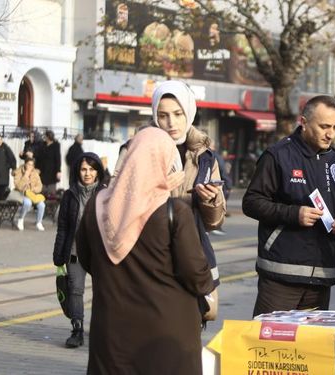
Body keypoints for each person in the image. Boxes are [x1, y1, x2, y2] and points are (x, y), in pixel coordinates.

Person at [76, 127, 214, 373]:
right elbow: (196, 276)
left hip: (111, 336)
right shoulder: (175, 213)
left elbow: (88, 261)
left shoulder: (96, 208)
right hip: (166, 337)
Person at [242, 95, 335, 317]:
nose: (331, 133)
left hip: (322, 273)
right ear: (303, 122)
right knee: (271, 346)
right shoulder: (278, 155)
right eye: (324, 126)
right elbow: (251, 202)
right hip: (281, 273)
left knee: (310, 348)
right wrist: (294, 214)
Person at [115, 80, 226, 292]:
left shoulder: (204, 157)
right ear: (155, 116)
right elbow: (115, 203)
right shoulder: (134, 149)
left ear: (189, 113)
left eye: (178, 114)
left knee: (192, 320)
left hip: (191, 253)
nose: (171, 123)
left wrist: (210, 200)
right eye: (163, 115)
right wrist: (157, 188)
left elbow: (214, 223)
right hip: (147, 252)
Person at [52, 152, 105, 348]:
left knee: (104, 291)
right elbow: (63, 227)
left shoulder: (106, 194)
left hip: (100, 252)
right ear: (78, 171)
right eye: (84, 169)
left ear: (98, 171)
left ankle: (103, 330)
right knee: (75, 290)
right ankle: (77, 330)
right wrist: (58, 255)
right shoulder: (70, 195)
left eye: (92, 169)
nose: (88, 173)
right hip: (75, 250)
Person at [13, 158, 46, 231]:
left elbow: (40, 186)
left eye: (32, 165)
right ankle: (21, 219)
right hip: (21, 194)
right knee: (27, 203)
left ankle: (39, 222)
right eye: (28, 164)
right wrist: (25, 176)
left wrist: (34, 189)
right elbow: (18, 186)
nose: (30, 166)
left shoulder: (35, 173)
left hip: (33, 195)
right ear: (25, 164)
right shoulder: (18, 172)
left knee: (42, 205)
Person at [209, 139, 232, 236]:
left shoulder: (204, 155)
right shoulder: (215, 156)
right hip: (218, 185)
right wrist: (228, 184)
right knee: (217, 206)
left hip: (210, 185)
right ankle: (215, 226)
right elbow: (223, 172)